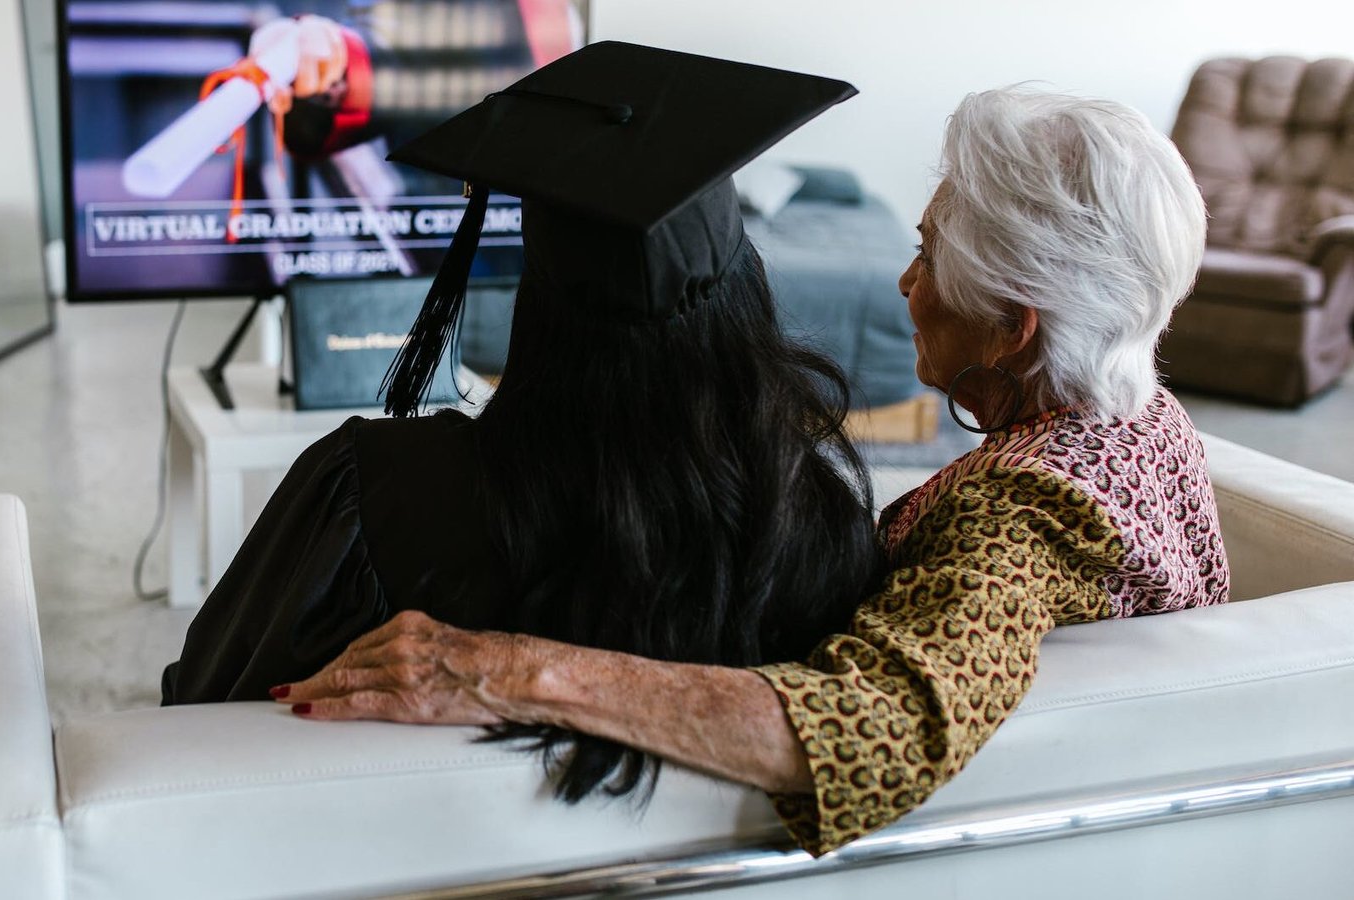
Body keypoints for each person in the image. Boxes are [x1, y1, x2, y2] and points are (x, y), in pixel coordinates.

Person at [278, 86, 1231, 857]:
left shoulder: (1032, 515)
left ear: (1016, 325)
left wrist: (505, 668)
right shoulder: (1148, 424)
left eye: (928, 254)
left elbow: (886, 722)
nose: (907, 282)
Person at [162, 42, 885, 803]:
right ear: (746, 299)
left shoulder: (373, 491)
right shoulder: (819, 535)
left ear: (539, 311)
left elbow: (203, 705)